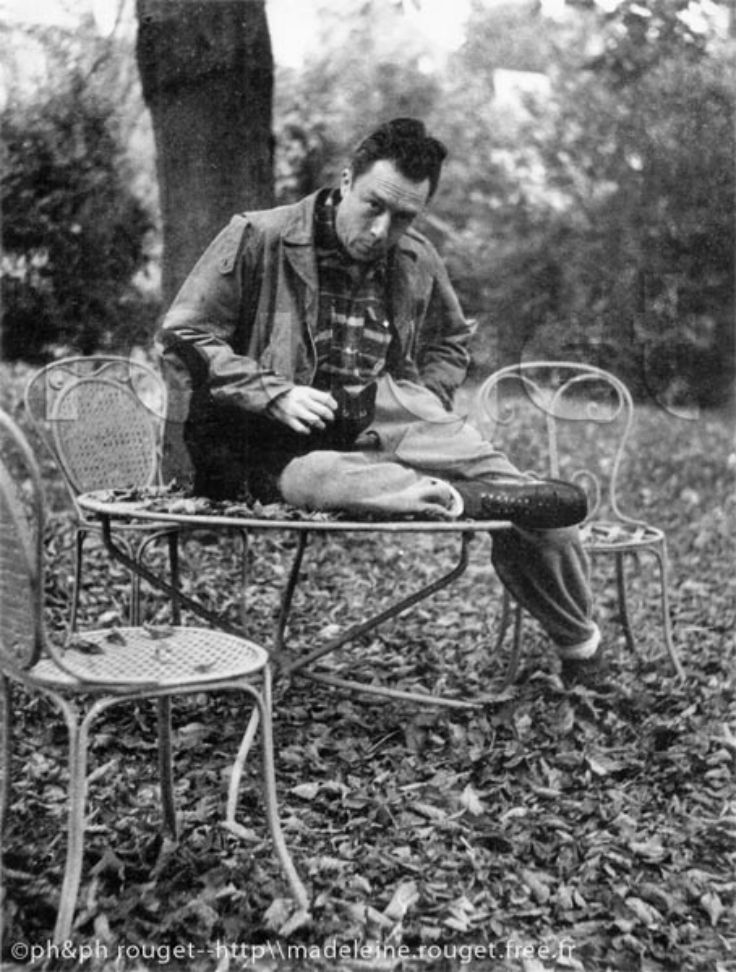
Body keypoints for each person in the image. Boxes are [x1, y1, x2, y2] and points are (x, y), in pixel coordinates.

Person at [157, 117, 603, 684]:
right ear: (346, 180)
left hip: (375, 409)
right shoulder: (259, 235)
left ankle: (581, 644)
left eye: (404, 218)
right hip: (257, 430)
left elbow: (451, 338)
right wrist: (272, 393)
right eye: (373, 206)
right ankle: (445, 496)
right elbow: (183, 334)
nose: (382, 229)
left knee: (533, 502)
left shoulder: (415, 257)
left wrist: (427, 399)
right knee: (322, 477)